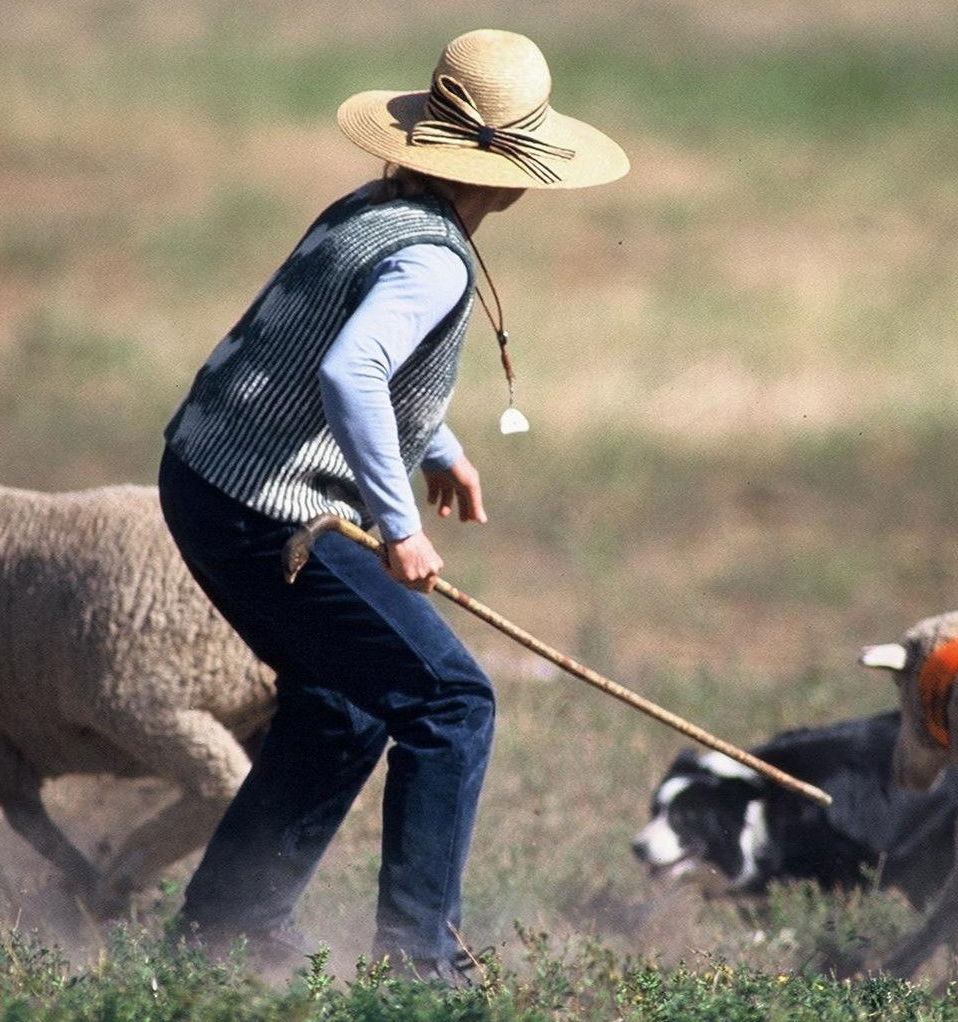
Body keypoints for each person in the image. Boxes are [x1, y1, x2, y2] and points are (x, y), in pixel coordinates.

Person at [155, 28, 627, 984]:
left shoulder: (373, 207)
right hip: (267, 512)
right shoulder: (436, 259)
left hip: (205, 478)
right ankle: (418, 968)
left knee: (344, 700)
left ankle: (224, 932)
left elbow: (329, 346)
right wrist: (401, 527)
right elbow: (350, 367)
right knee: (450, 700)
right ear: (512, 174)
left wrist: (438, 445)